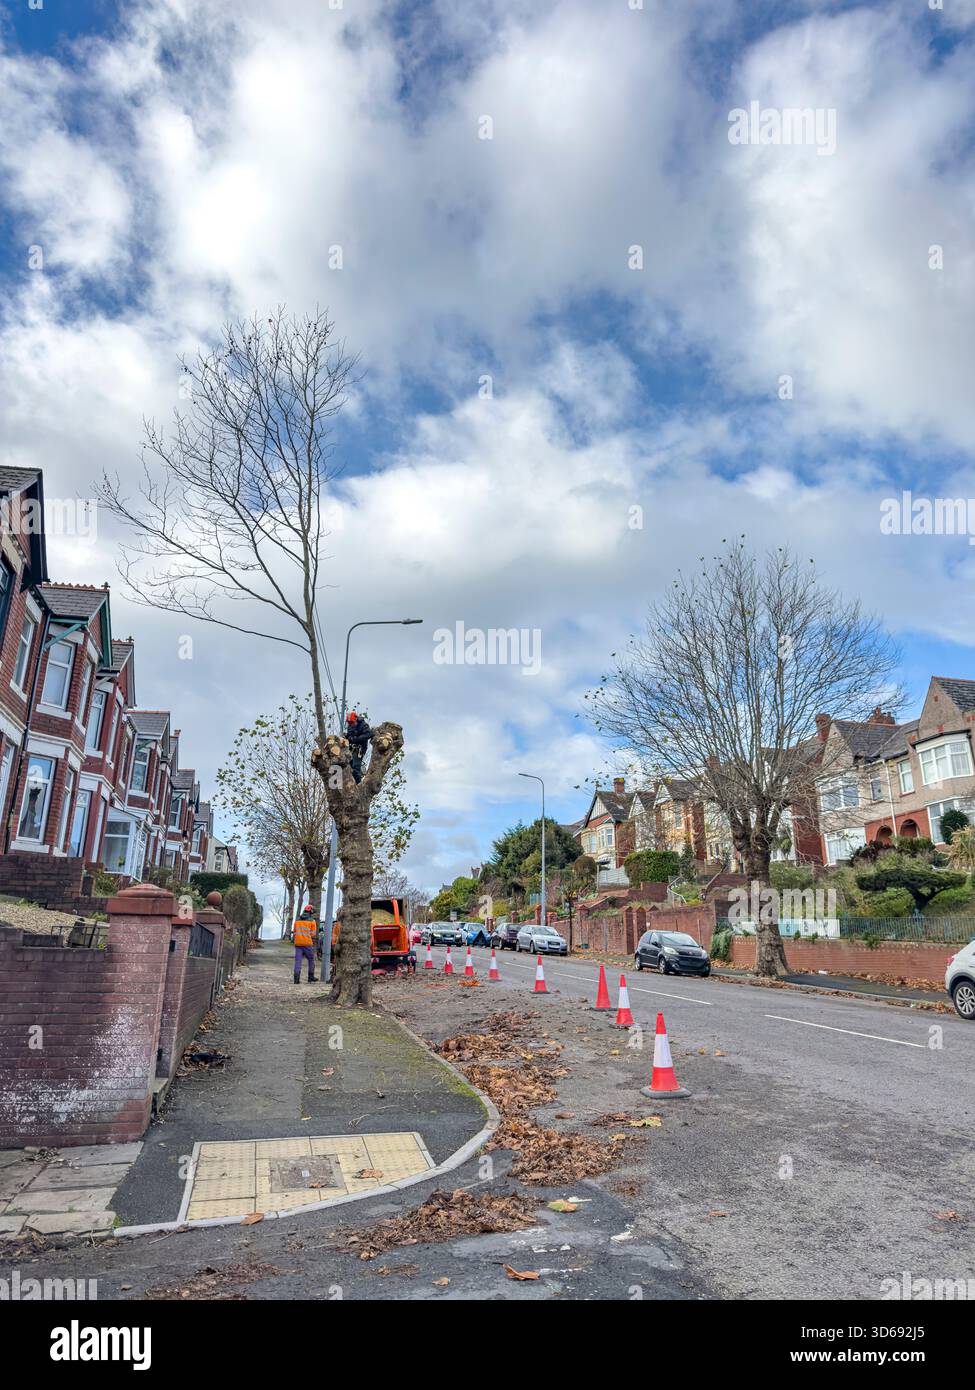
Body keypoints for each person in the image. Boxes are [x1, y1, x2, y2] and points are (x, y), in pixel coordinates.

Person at [292, 903, 318, 983]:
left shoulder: (297, 921)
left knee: (298, 961)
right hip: (307, 944)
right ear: (311, 912)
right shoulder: (312, 922)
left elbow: (294, 932)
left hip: (298, 944)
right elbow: (313, 934)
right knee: (311, 959)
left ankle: (296, 979)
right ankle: (310, 977)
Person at [345, 710, 373, 783]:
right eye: (349, 723)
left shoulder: (363, 725)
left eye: (351, 723)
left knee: (355, 766)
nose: (350, 724)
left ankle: (358, 783)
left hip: (360, 749)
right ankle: (350, 781)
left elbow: (369, 734)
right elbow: (349, 736)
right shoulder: (350, 726)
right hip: (351, 748)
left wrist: (356, 739)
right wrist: (348, 737)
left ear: (356, 719)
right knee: (347, 764)